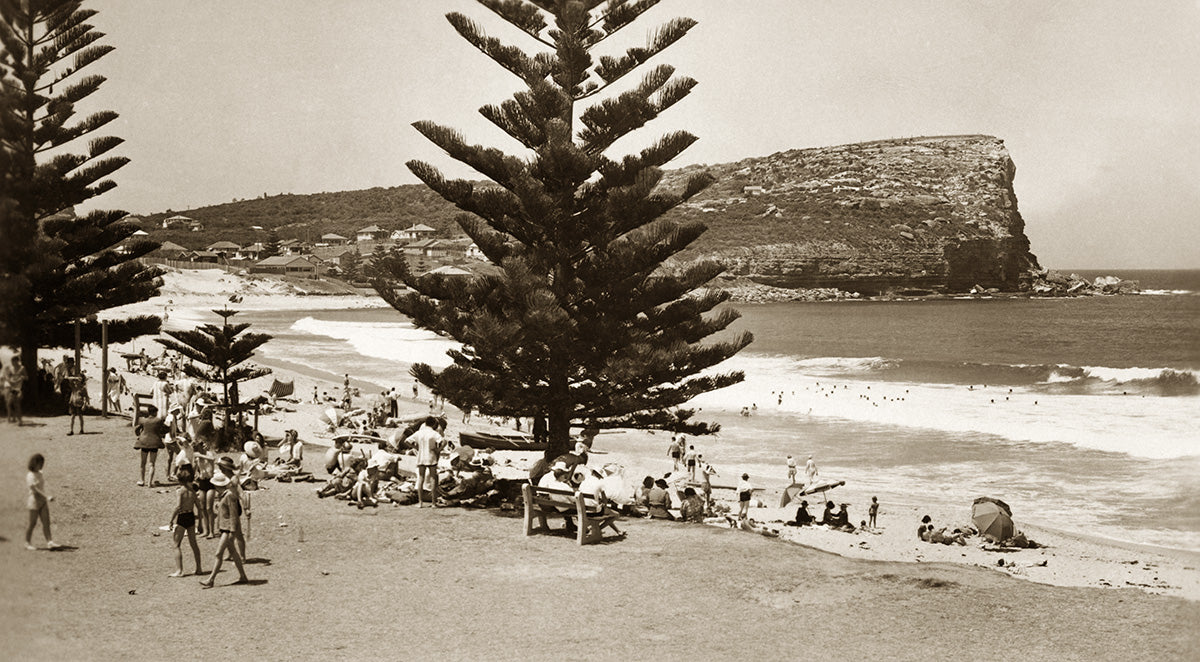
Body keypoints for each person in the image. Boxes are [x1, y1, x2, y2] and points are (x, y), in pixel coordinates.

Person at [199, 471, 249, 589]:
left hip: (227, 529)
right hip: (225, 528)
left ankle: (211, 579)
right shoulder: (225, 495)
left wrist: (232, 531)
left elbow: (233, 514)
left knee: (218, 554)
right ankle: (243, 576)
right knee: (234, 553)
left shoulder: (228, 496)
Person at [168, 464, 203, 577]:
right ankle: (199, 568)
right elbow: (199, 507)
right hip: (191, 516)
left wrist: (171, 520)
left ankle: (179, 570)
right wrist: (200, 523)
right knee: (194, 544)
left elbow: (178, 506)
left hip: (182, 517)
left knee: (176, 544)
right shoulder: (192, 492)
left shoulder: (180, 491)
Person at [25, 453, 59, 550]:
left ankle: (50, 542)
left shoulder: (40, 473)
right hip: (34, 501)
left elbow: (41, 487)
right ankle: (27, 542)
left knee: (46, 522)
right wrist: (47, 496)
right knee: (32, 523)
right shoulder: (30, 476)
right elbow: (35, 489)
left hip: (42, 501)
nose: (41, 466)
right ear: (34, 463)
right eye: (40, 463)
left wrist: (45, 497)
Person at [410, 416, 445, 507]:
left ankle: (420, 502)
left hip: (421, 457)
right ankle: (433, 503)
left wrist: (416, 447)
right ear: (433, 424)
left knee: (420, 478)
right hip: (431, 456)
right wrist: (438, 449)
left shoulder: (419, 432)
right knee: (433, 478)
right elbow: (444, 441)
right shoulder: (434, 433)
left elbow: (407, 441)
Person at [134, 405, 169, 487]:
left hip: (144, 442)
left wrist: (139, 436)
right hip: (154, 443)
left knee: (143, 463)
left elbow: (136, 430)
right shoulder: (158, 420)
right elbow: (167, 429)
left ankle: (142, 480)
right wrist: (160, 434)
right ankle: (149, 482)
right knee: (152, 464)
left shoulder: (143, 420)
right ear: (154, 412)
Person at [3, 355, 28, 425]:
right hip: (12, 387)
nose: (12, 363)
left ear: (17, 361)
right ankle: (15, 418)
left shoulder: (22, 368)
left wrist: (22, 378)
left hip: (19, 388)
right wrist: (10, 380)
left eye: (13, 362)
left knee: (17, 404)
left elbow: (26, 377)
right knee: (9, 404)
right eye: (12, 362)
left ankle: (20, 421)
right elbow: (8, 377)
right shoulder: (11, 368)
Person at [66, 371, 88, 435]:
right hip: (73, 403)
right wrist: (75, 378)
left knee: (80, 417)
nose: (75, 382)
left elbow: (85, 397)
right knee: (72, 417)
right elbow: (67, 378)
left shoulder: (83, 388)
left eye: (77, 380)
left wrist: (84, 404)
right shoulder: (73, 387)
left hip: (80, 403)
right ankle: (71, 430)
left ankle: (81, 429)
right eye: (75, 381)